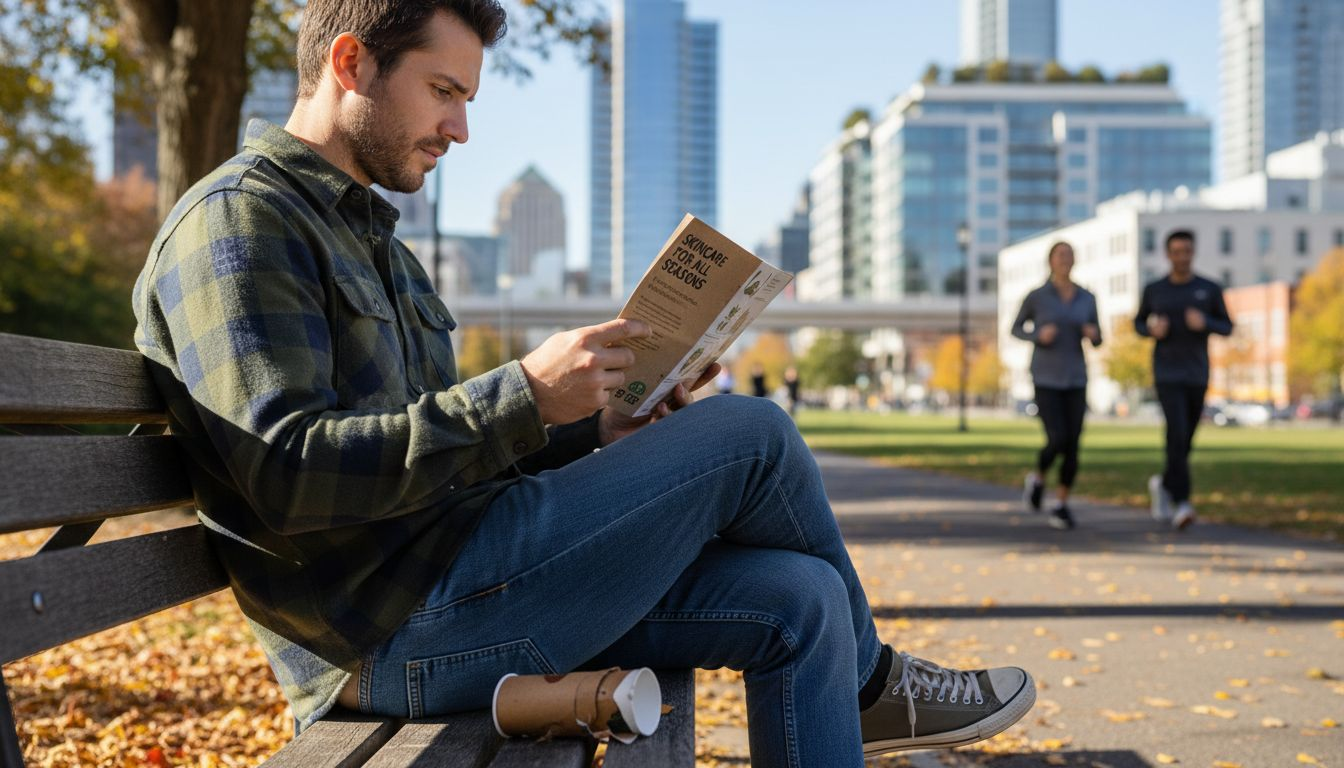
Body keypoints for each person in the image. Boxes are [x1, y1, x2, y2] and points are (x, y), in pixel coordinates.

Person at [129, 3, 1033, 764]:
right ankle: (877, 688)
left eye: (466, 99)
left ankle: (863, 678)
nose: (460, 128)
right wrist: (521, 394)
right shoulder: (240, 225)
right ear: (351, 62)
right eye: (444, 92)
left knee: (802, 598)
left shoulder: (378, 245)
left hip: (467, 574)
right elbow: (289, 473)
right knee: (754, 434)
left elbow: (441, 450)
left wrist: (591, 426)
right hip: (390, 635)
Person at [1134, 230, 1233, 531]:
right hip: (1166, 373)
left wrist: (1205, 323)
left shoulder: (1209, 288)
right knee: (1176, 433)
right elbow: (1138, 323)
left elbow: (1227, 326)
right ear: (1168, 254)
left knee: (1185, 440)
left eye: (1187, 251)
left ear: (1193, 252)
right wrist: (1152, 329)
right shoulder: (1155, 290)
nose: (1182, 256)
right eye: (1176, 251)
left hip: (1197, 373)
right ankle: (1183, 503)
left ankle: (1163, 484)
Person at [1010, 242, 1102, 531]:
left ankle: (1061, 504)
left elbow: (1099, 338)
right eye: (1060, 255)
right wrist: (1038, 334)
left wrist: (1092, 333)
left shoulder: (1087, 297)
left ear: (1075, 260)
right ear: (1050, 261)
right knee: (1057, 437)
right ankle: (1037, 478)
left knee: (1073, 443)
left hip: (1076, 376)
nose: (1065, 260)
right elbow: (1015, 329)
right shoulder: (1037, 297)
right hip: (1046, 376)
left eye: (1069, 255)